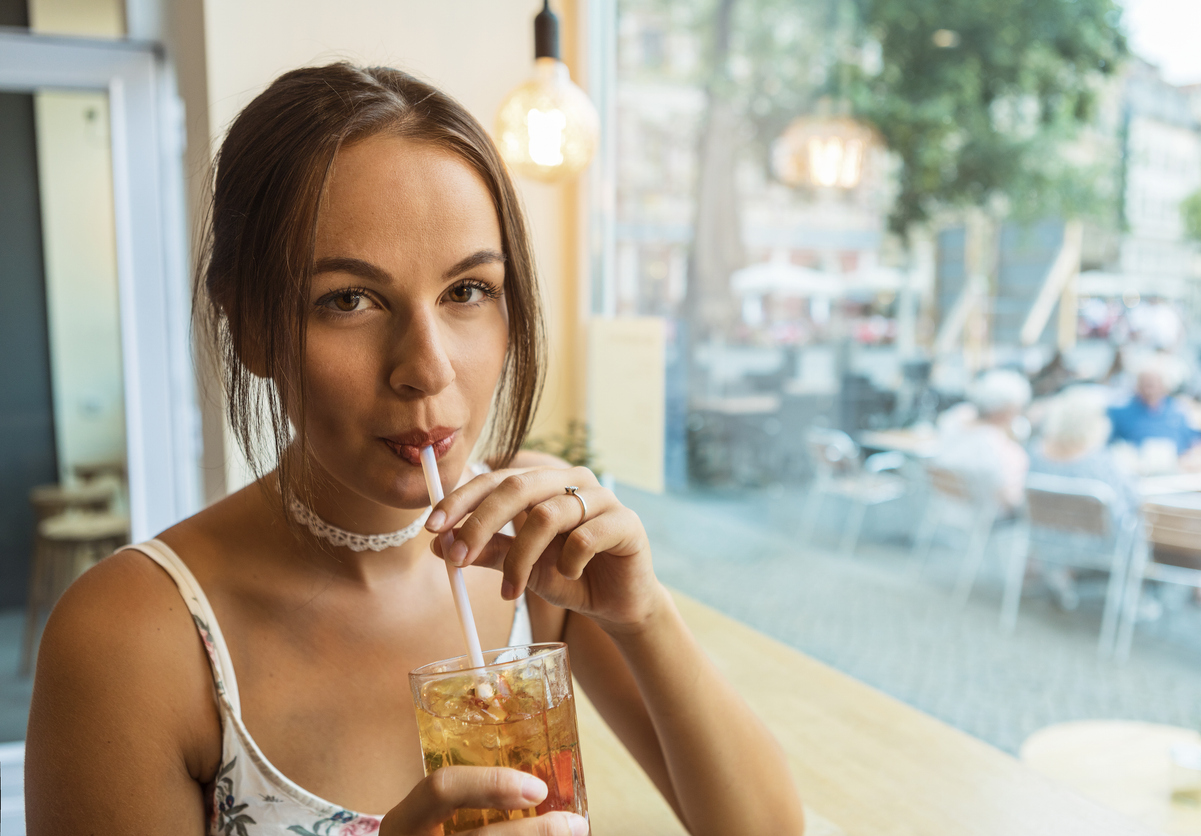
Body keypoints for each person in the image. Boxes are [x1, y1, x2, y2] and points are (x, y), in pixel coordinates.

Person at [25, 64, 804, 836]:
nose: (426, 367)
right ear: (252, 325)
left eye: (468, 291)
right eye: (349, 301)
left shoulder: (537, 544)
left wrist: (645, 616)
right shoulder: (131, 637)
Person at [1029, 386, 1140, 610]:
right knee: (1140, 523)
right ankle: (1136, 596)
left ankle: (1061, 576)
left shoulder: (1036, 453)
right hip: (1096, 544)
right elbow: (1130, 505)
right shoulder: (1102, 462)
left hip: (1043, 539)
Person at [933, 369, 1032, 514]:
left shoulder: (952, 419)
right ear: (1002, 411)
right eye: (1015, 410)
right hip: (980, 516)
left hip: (945, 506)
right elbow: (1009, 499)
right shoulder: (995, 449)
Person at [1107, 357, 1201, 471]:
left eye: (1152, 385)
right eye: (1144, 385)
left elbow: (1199, 446)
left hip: (1178, 472)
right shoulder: (1119, 411)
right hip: (1138, 474)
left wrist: (1194, 460)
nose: (1148, 390)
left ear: (1165, 386)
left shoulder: (1180, 410)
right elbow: (1105, 448)